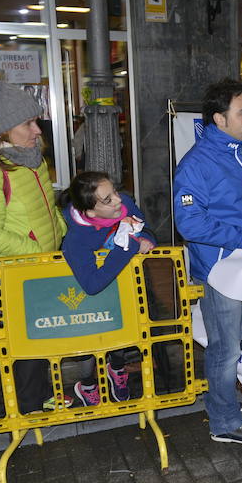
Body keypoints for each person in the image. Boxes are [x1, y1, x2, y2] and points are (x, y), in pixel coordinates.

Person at [173, 78, 242, 444]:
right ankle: (223, 421)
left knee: (236, 341)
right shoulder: (196, 164)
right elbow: (189, 222)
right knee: (224, 347)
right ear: (220, 119)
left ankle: (226, 401)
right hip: (221, 271)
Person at [0, 77, 67, 413]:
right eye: (28, 123)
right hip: (12, 274)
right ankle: (27, 408)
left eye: (36, 121)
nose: (37, 130)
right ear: (4, 129)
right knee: (24, 344)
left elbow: (47, 207)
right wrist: (40, 252)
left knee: (44, 335)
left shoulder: (31, 158)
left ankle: (44, 395)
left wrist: (61, 230)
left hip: (41, 267)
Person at [61, 171, 156, 405]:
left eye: (114, 191)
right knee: (89, 339)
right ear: (90, 212)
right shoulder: (76, 239)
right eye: (108, 199)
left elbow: (145, 229)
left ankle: (117, 369)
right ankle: (87, 383)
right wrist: (128, 248)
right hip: (83, 302)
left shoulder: (125, 203)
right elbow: (91, 285)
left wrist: (147, 240)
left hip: (122, 289)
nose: (118, 200)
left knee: (121, 328)